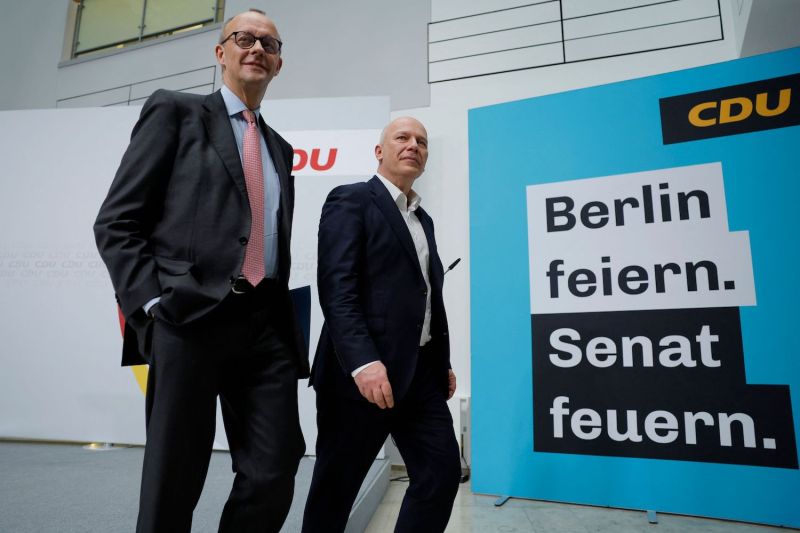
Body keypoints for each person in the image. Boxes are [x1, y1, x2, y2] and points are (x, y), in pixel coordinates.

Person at [93, 9, 308, 533]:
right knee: (175, 475)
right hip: (188, 318)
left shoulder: (280, 149)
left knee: (275, 467)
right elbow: (117, 221)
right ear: (220, 54)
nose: (257, 48)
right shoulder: (176, 113)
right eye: (243, 38)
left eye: (269, 43)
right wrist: (152, 305)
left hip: (265, 324)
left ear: (278, 64)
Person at [302, 117, 461, 532]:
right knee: (335, 491)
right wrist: (362, 363)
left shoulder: (422, 220)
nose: (414, 145)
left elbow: (427, 298)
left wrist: (440, 362)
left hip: (421, 377)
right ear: (379, 152)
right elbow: (338, 289)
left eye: (422, 141)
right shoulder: (351, 200)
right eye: (402, 138)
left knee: (440, 473)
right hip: (360, 378)